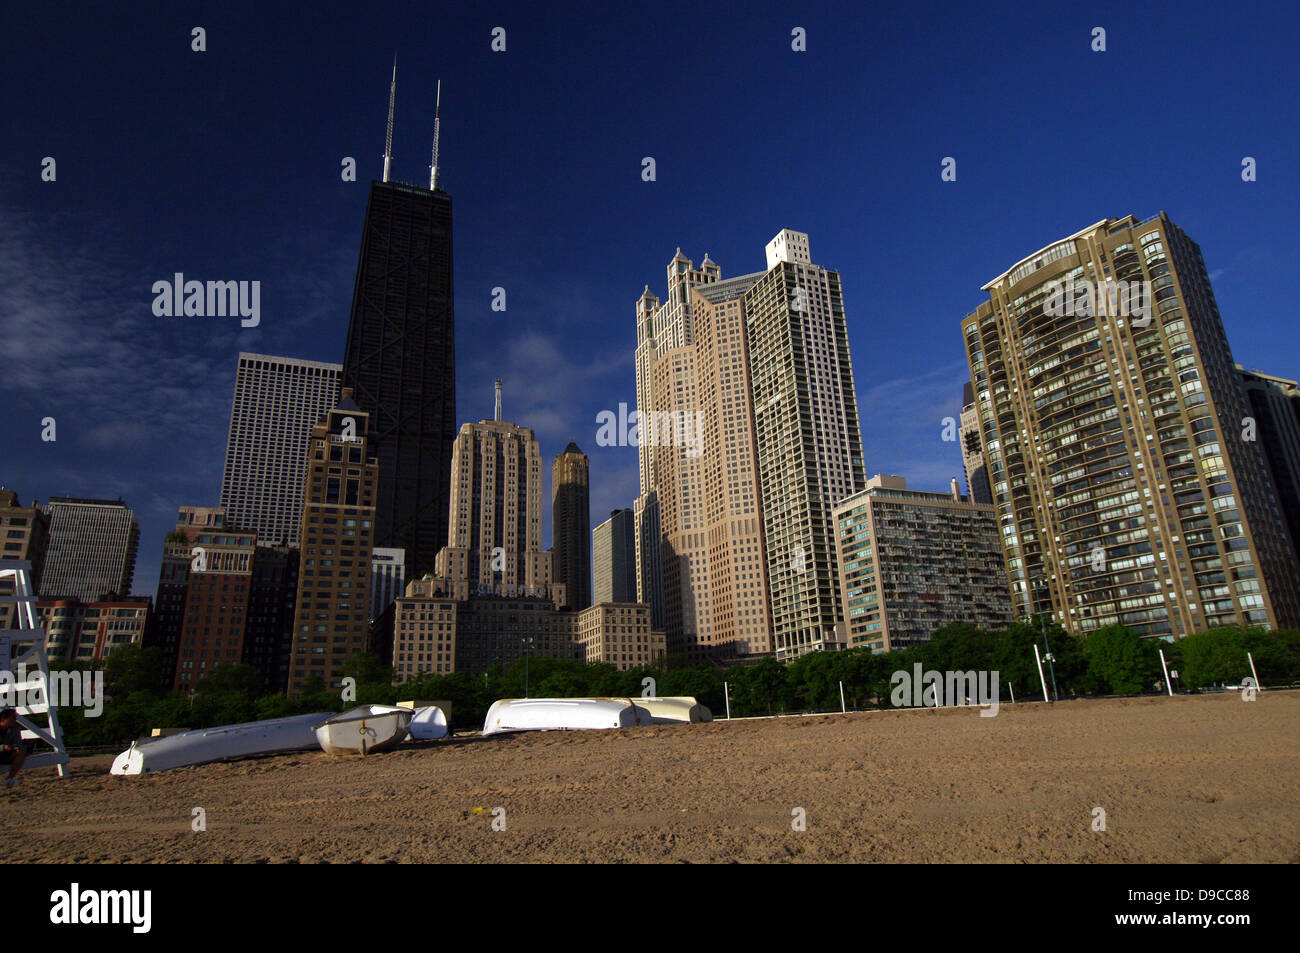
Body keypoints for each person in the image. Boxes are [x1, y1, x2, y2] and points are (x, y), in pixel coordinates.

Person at [0, 708, 26, 788]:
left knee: (21, 751)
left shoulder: (15, 728)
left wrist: (16, 747)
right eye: (13, 718)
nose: (15, 720)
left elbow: (18, 741)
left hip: (7, 753)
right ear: (4, 719)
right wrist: (3, 747)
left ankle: (9, 779)